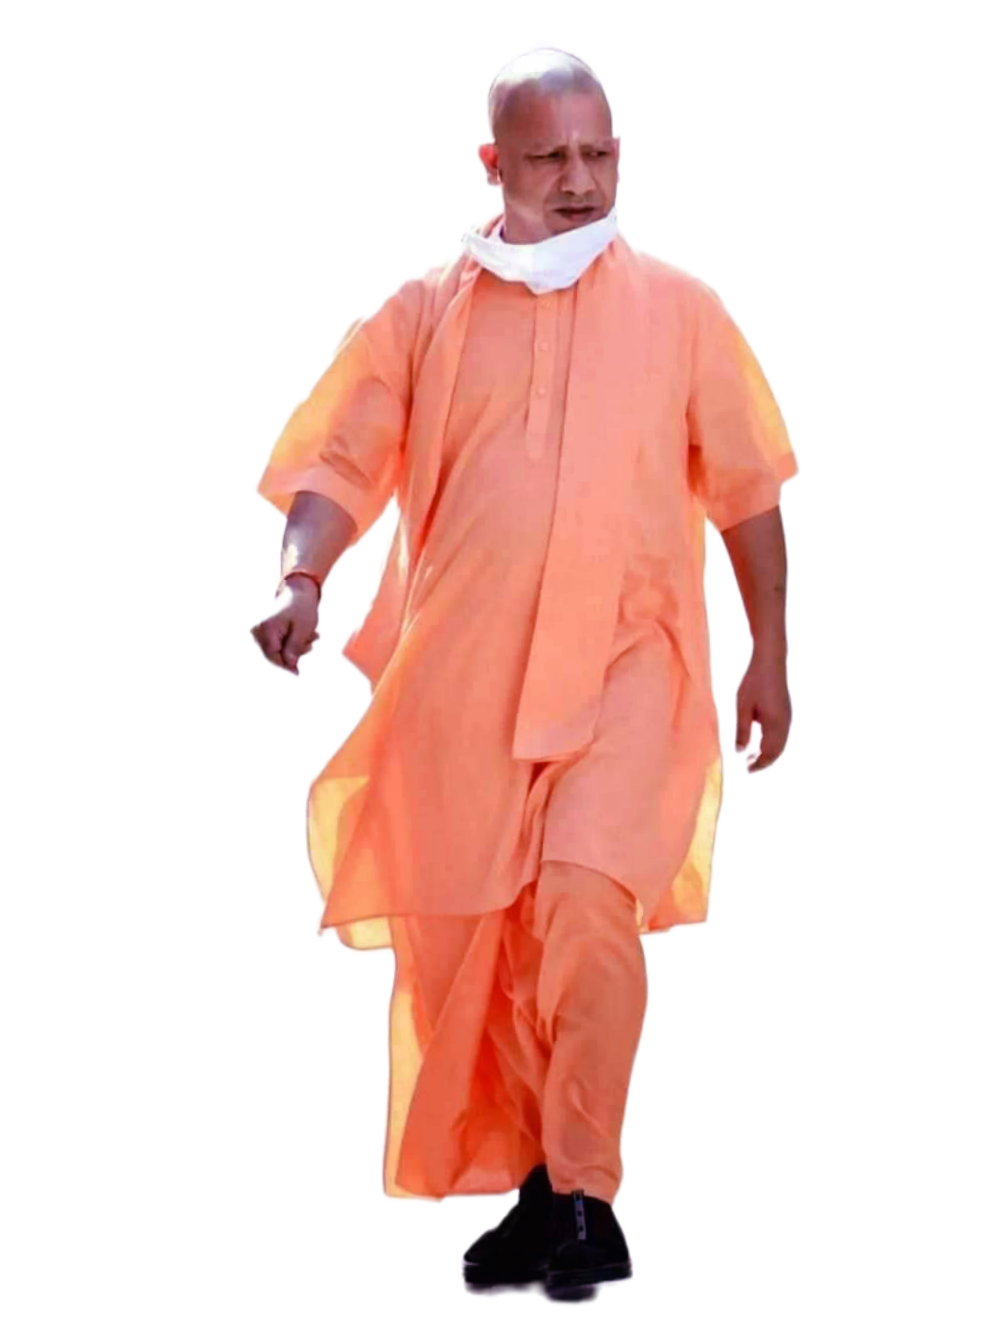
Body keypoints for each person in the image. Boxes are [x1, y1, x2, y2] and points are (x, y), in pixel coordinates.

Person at [249, 39, 798, 1303]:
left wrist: (770, 651)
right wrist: (301, 580)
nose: (579, 180)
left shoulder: (682, 309)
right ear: (492, 162)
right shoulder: (422, 313)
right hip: (467, 686)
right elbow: (339, 462)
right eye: (549, 158)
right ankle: (545, 1188)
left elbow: (748, 495)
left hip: (629, 670)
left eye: (599, 154)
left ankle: (588, 1194)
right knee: (488, 943)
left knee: (588, 907)